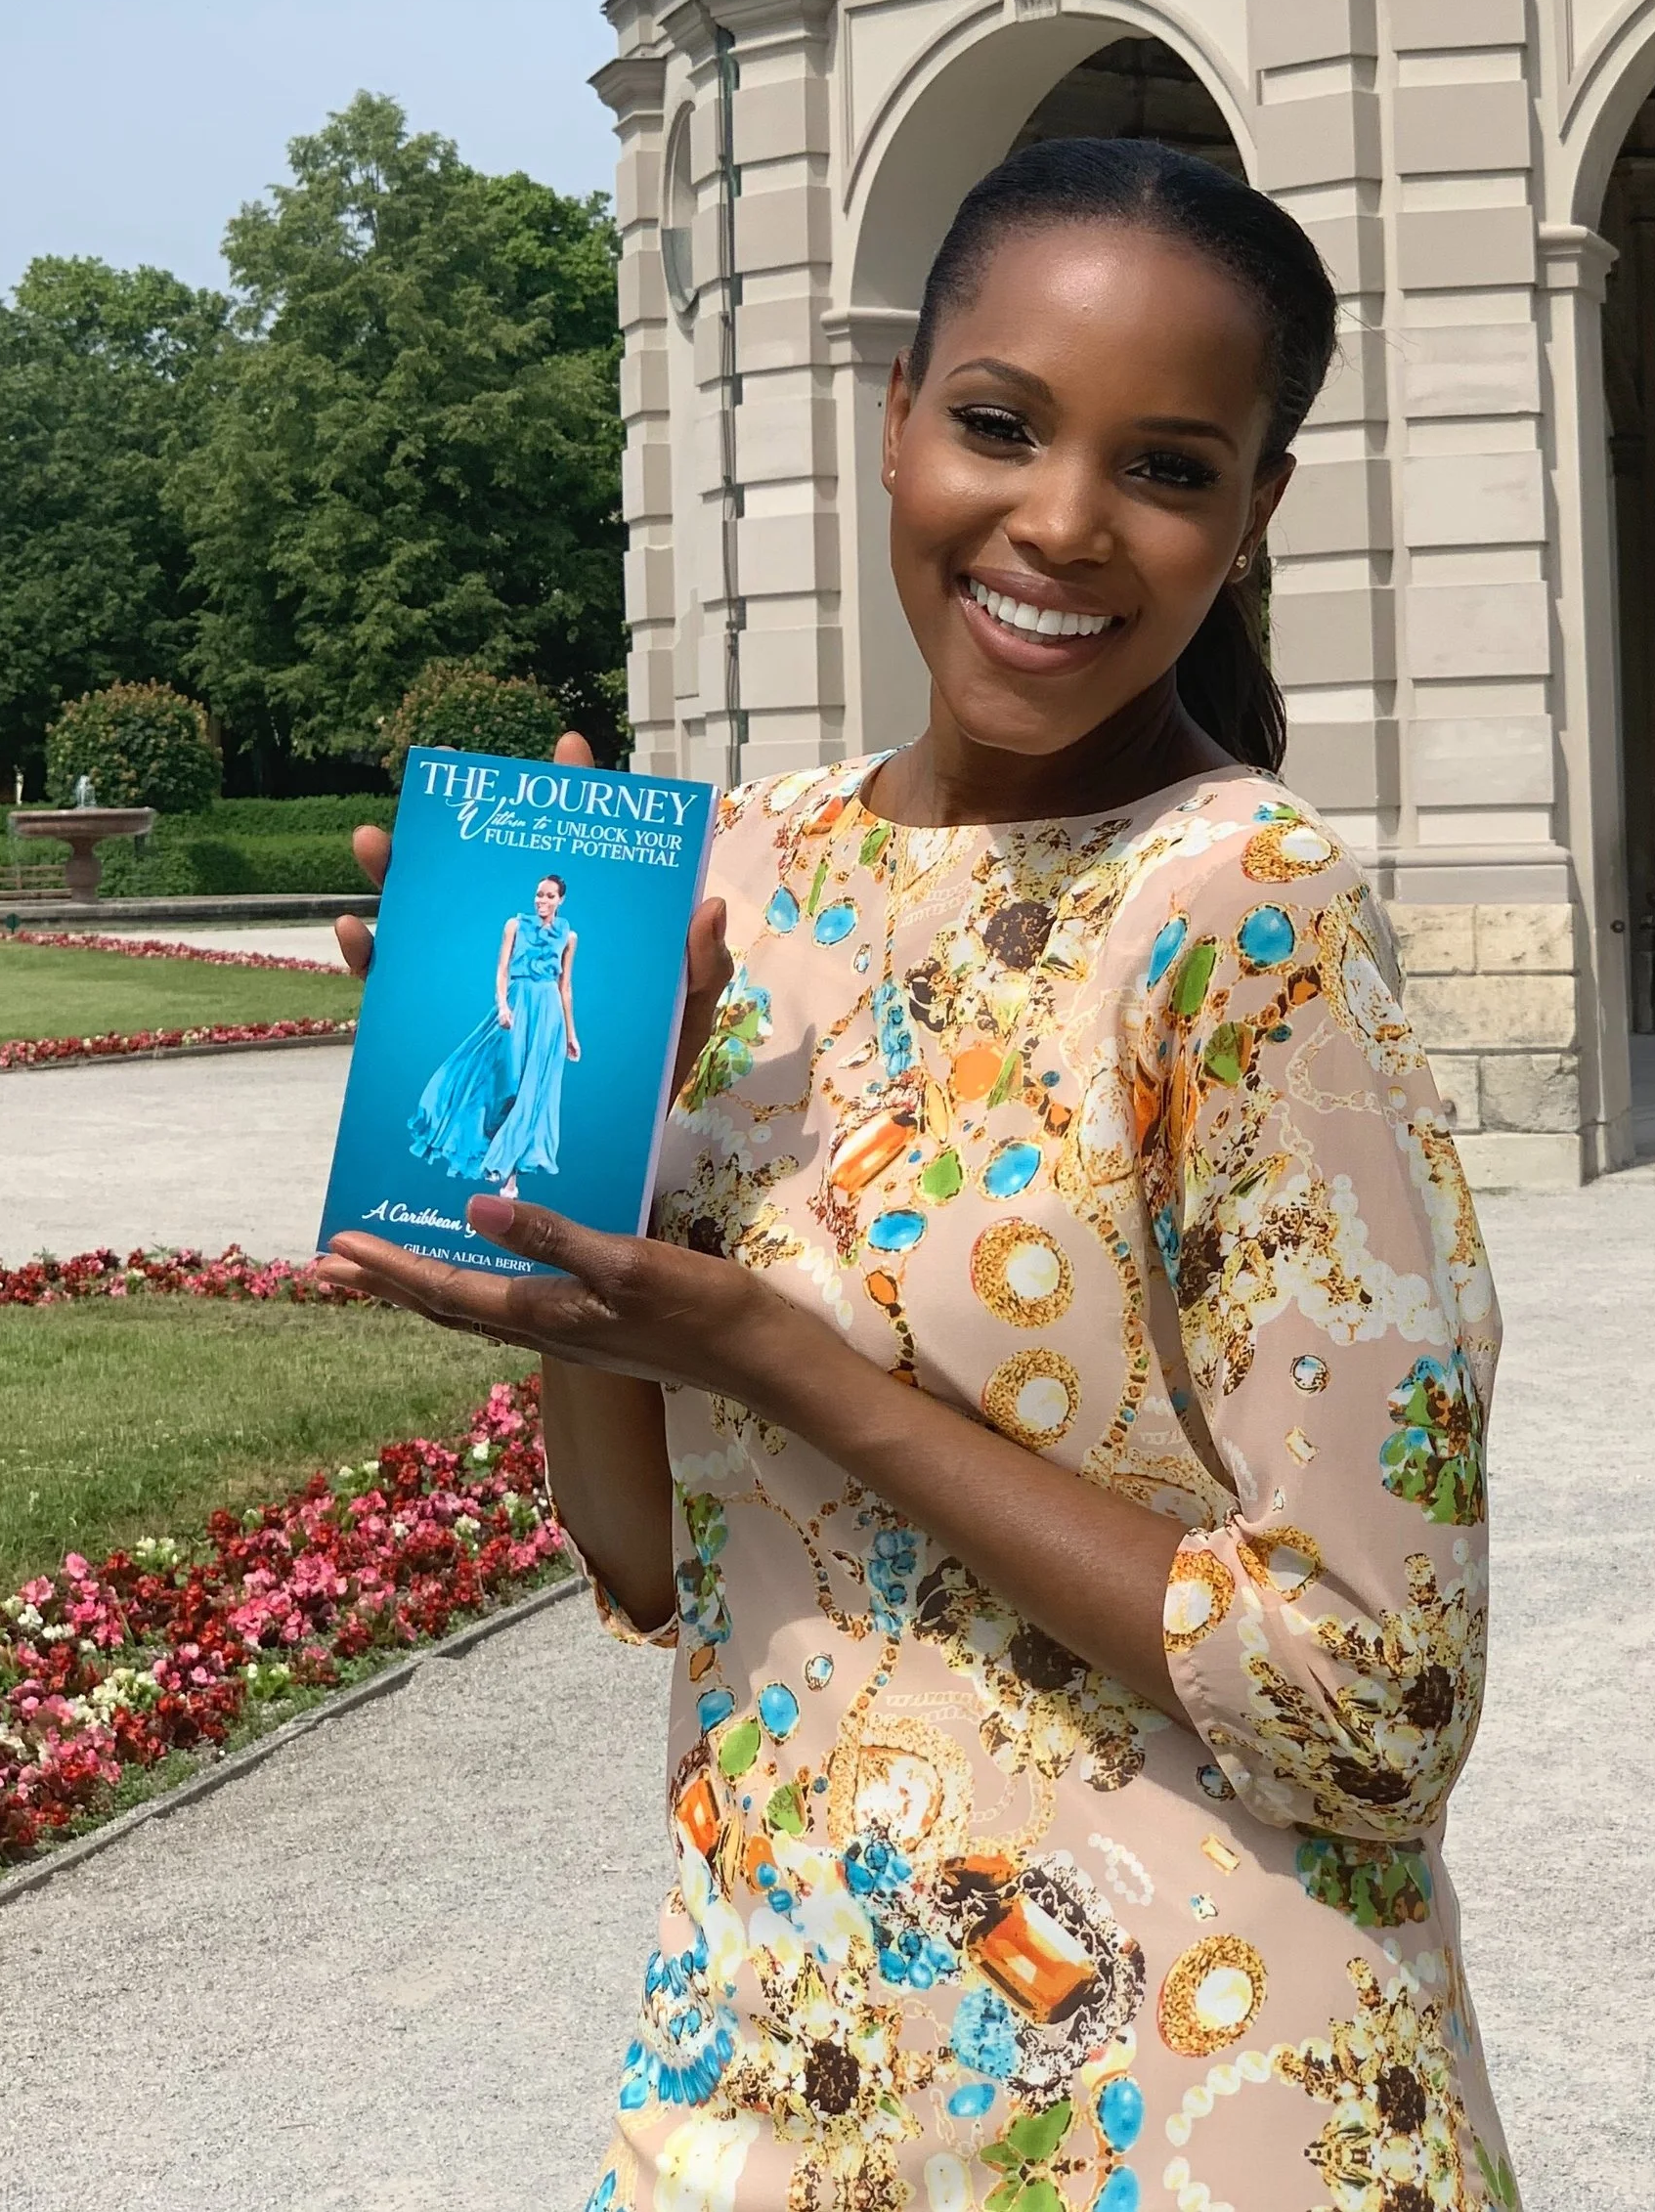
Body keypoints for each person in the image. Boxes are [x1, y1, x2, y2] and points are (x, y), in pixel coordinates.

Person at [320, 139, 1513, 2207]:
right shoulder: (744, 875)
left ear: (1249, 516)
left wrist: (785, 1360)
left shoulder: (1238, 909)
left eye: (1162, 464)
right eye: (995, 423)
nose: (1056, 520)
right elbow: (645, 1560)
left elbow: (1368, 1696)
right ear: (893, 421)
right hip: (781, 2057)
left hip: (1178, 2085)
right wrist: (575, 1157)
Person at [408, 873, 581, 1197]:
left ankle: (509, 1174)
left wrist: (571, 1033)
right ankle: (475, 1142)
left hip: (549, 1017)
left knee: (533, 1093)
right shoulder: (514, 926)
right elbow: (501, 969)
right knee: (508, 1083)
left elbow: (565, 987)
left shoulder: (569, 937)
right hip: (517, 1007)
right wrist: (502, 1006)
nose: (541, 901)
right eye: (539, 894)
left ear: (561, 900)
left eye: (549, 896)